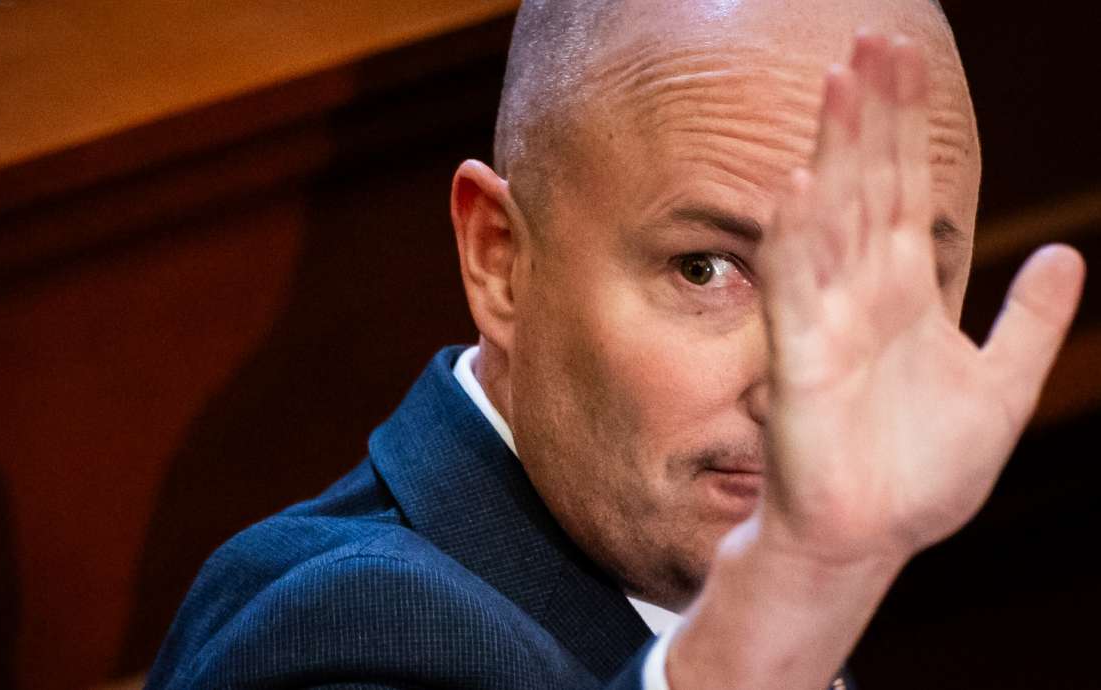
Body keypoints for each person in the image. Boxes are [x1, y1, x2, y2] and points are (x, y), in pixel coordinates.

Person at [144, 0, 1086, 688]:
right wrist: (797, 588)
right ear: (500, 260)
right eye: (706, 269)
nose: (804, 383)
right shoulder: (339, 635)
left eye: (882, 277)